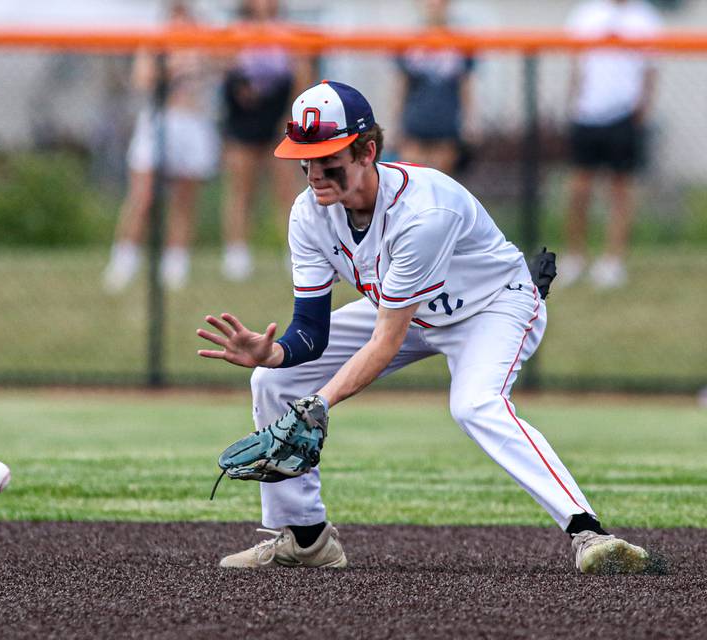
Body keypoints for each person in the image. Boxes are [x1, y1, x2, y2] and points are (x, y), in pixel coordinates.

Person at [197, 80, 650, 575]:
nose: (313, 172)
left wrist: (319, 405)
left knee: (474, 405)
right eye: (304, 159)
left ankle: (588, 533)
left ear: (367, 151)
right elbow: (311, 330)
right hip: (410, 311)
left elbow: (386, 341)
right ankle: (305, 538)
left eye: (328, 157)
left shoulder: (423, 211)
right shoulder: (308, 215)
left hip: (490, 308)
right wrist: (275, 354)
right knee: (272, 382)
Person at [102, 2, 220, 292]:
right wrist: (171, 67)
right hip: (159, 119)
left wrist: (201, 59)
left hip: (193, 121)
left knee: (184, 199)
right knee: (142, 197)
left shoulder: (206, 39)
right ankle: (124, 261)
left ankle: (176, 263)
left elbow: (222, 67)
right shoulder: (155, 40)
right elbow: (142, 79)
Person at [559, 0, 662, 289]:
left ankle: (612, 260)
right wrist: (572, 103)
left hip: (624, 115)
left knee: (620, 191)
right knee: (579, 190)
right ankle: (575, 256)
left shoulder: (645, 18)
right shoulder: (586, 13)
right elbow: (576, 66)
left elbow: (650, 71)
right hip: (586, 113)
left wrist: (643, 111)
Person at [218, 0, 308, 281]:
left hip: (277, 115)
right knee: (241, 187)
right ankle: (236, 253)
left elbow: (302, 78)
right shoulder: (237, 32)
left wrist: (292, 116)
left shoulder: (288, 35)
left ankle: (295, 252)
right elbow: (225, 70)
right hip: (244, 119)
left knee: (286, 189)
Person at [395, 0, 478, 174]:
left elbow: (465, 85)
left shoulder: (460, 41)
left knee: (442, 179)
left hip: (446, 120)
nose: (435, 6)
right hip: (415, 118)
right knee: (413, 176)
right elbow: (401, 85)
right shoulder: (409, 40)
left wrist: (469, 123)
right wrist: (397, 123)